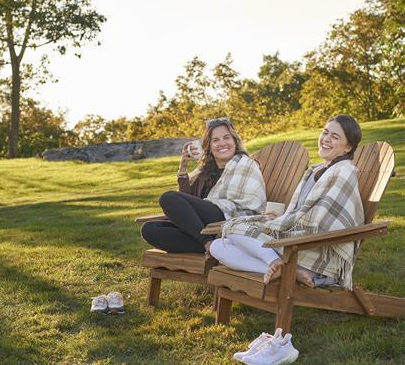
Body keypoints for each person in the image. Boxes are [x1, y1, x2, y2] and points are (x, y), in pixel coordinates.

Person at [210, 114, 364, 290]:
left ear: (347, 148)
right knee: (218, 245)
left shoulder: (343, 172)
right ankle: (283, 269)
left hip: (312, 248)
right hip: (296, 240)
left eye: (335, 137)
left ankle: (278, 264)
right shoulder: (319, 169)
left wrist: (281, 223)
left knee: (235, 228)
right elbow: (306, 212)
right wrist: (280, 218)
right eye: (325, 132)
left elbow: (320, 221)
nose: (326, 139)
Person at [140, 117, 267, 255]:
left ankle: (207, 242)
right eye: (215, 140)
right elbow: (186, 203)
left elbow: (251, 205)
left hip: (228, 217)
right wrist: (183, 168)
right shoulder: (205, 172)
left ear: (234, 141)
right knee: (149, 229)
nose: (222, 143)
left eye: (226, 138)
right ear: (209, 147)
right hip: (203, 227)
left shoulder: (246, 165)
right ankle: (215, 246)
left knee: (167, 197)